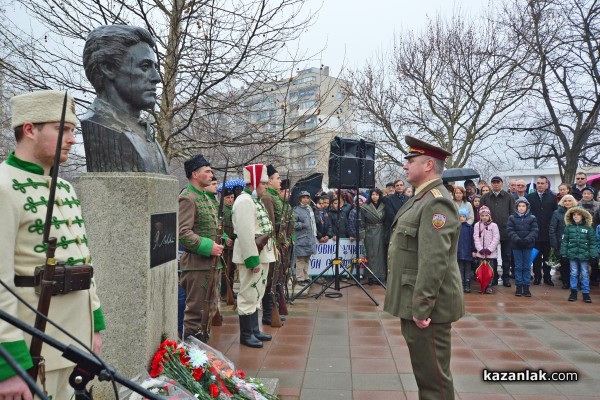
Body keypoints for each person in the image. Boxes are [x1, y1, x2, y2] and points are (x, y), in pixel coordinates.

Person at [0, 90, 105, 399]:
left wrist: (94, 327)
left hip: (72, 343)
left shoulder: (65, 187)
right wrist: (9, 365)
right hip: (30, 347)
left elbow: (83, 260)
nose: (73, 139)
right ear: (29, 129)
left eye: (73, 130)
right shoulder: (3, 185)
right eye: (63, 129)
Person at [384, 136, 464, 400]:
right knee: (426, 375)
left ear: (429, 165)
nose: (405, 166)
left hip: (429, 308)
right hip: (418, 304)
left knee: (434, 382)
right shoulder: (421, 198)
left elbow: (433, 260)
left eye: (411, 161)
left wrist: (421, 306)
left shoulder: (436, 202)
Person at [81, 25, 169, 173]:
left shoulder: (146, 132)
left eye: (155, 68)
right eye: (145, 66)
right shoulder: (101, 127)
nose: (156, 78)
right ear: (107, 68)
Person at [178, 154, 227, 340]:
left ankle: (203, 359)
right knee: (196, 316)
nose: (211, 175)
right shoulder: (188, 198)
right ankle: (192, 364)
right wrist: (209, 246)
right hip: (197, 265)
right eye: (207, 171)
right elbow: (183, 233)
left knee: (209, 310)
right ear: (195, 174)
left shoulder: (206, 197)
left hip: (211, 264)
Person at [232, 164, 275, 348]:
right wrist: (252, 259)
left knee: (257, 293)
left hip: (262, 252)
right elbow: (245, 233)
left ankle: (254, 330)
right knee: (248, 293)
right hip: (252, 254)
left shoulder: (253, 200)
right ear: (255, 182)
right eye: (263, 182)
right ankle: (246, 334)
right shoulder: (244, 201)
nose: (266, 186)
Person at [260, 165, 288, 325]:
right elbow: (270, 225)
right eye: (277, 178)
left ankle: (273, 311)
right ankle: (268, 314)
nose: (280, 181)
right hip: (272, 245)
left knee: (276, 279)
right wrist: (275, 245)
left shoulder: (275, 197)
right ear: (269, 180)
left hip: (279, 243)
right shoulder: (267, 198)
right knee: (270, 280)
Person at [481, 176, 515, 287]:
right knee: (492, 256)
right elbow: (481, 214)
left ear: (501, 184)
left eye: (498, 182)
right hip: (490, 232)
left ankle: (506, 277)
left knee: (506, 255)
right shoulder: (485, 197)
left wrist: (511, 228)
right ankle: (494, 277)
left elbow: (512, 214)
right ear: (491, 184)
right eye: (493, 183)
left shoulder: (508, 197)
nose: (496, 184)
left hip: (506, 230)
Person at [526, 176, 557, 285]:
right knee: (536, 257)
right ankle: (537, 276)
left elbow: (555, 214)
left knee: (547, 257)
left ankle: (547, 277)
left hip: (548, 232)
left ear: (546, 185)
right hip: (535, 232)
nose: (539, 185)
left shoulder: (552, 198)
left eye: (542, 183)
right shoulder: (530, 197)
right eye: (538, 183)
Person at [561, 207, 596, 303]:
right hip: (572, 255)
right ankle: (573, 292)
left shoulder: (588, 229)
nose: (576, 217)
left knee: (584, 274)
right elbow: (564, 242)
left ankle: (586, 293)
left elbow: (593, 243)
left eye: (578, 215)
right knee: (573, 273)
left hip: (584, 255)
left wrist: (593, 255)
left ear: (583, 216)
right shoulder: (568, 228)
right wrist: (563, 254)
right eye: (574, 215)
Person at [507, 198, 539, 297]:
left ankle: (526, 287)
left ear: (527, 207)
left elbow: (534, 231)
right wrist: (517, 240)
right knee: (518, 266)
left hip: (528, 245)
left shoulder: (532, 218)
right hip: (516, 245)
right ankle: (518, 286)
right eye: (519, 206)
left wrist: (527, 240)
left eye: (523, 206)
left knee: (526, 266)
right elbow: (510, 230)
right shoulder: (512, 218)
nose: (521, 208)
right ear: (516, 207)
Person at [550, 195, 576, 289]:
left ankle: (575, 282)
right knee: (564, 263)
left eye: (569, 200)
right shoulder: (557, 213)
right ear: (562, 202)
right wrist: (554, 243)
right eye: (565, 201)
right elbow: (552, 228)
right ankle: (566, 282)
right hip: (561, 242)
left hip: (575, 242)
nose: (567, 202)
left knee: (574, 263)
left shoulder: (577, 212)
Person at [473, 206, 500, 294]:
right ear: (480, 216)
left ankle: (489, 285)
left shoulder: (494, 225)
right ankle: (482, 283)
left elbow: (496, 238)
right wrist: (480, 249)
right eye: (482, 215)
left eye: (486, 215)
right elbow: (476, 237)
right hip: (481, 252)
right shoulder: (477, 225)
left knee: (490, 270)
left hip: (490, 253)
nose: (484, 217)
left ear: (489, 216)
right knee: (481, 269)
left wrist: (490, 249)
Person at [361, 189, 386, 283]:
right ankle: (370, 276)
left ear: (379, 196)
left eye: (376, 194)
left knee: (381, 254)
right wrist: (362, 234)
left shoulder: (384, 206)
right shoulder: (365, 206)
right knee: (371, 254)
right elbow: (361, 221)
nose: (374, 196)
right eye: (373, 194)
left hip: (381, 230)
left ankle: (381, 276)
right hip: (369, 231)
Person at [293, 191, 318, 285]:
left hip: (309, 237)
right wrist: (302, 225)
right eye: (303, 197)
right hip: (301, 238)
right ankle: (299, 278)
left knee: (307, 258)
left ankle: (306, 276)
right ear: (300, 199)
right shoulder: (296, 210)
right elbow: (293, 223)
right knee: (300, 259)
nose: (306, 199)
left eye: (307, 198)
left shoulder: (310, 209)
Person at [220, 187, 237, 300]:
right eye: (228, 198)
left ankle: (230, 289)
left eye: (232, 197)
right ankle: (224, 292)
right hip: (224, 245)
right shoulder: (220, 210)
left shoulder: (235, 209)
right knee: (225, 270)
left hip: (234, 243)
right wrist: (225, 238)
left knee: (232, 269)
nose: (230, 200)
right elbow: (218, 227)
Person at [457, 209, 475, 293]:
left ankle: (467, 285)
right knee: (460, 269)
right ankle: (461, 284)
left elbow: (473, 240)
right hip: (458, 252)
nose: (461, 218)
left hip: (468, 252)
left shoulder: (470, 228)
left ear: (466, 217)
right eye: (460, 216)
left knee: (468, 269)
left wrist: (473, 250)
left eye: (463, 216)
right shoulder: (456, 228)